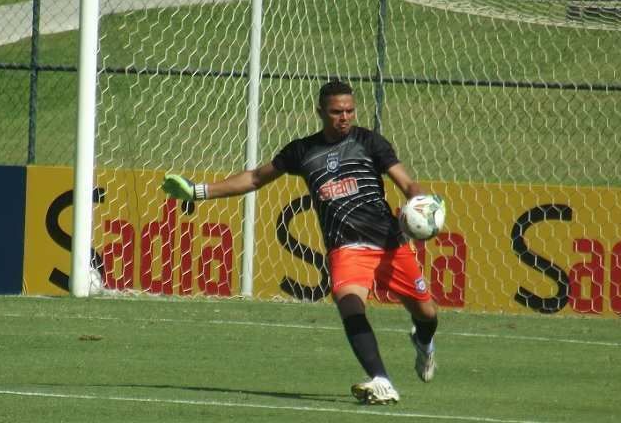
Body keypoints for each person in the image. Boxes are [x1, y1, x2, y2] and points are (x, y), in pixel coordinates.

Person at [161, 79, 439, 405]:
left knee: (427, 313)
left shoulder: (370, 142)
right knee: (349, 303)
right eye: (336, 112)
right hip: (346, 247)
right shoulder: (302, 151)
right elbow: (254, 178)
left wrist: (423, 204)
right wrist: (198, 191)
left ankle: (424, 342)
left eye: (349, 110)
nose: (345, 117)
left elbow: (407, 183)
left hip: (390, 243)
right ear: (320, 111)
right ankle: (381, 380)